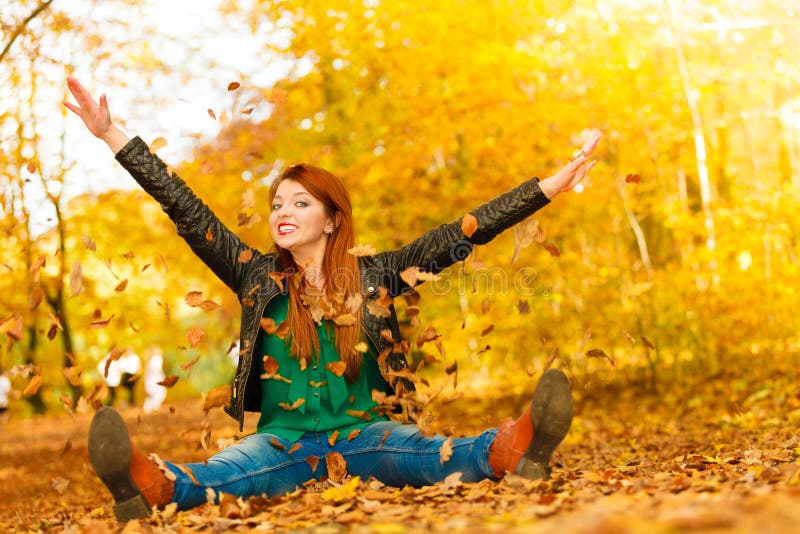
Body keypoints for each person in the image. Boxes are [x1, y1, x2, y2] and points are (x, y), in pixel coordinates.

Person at [65, 77, 600, 521]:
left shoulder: (381, 274)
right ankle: (150, 485)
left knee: (425, 454)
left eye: (300, 201)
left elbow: (462, 233)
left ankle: (511, 447)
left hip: (366, 437)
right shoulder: (254, 275)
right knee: (223, 473)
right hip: (280, 445)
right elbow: (184, 207)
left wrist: (547, 188)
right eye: (277, 203)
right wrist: (111, 132)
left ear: (332, 219)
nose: (282, 211)